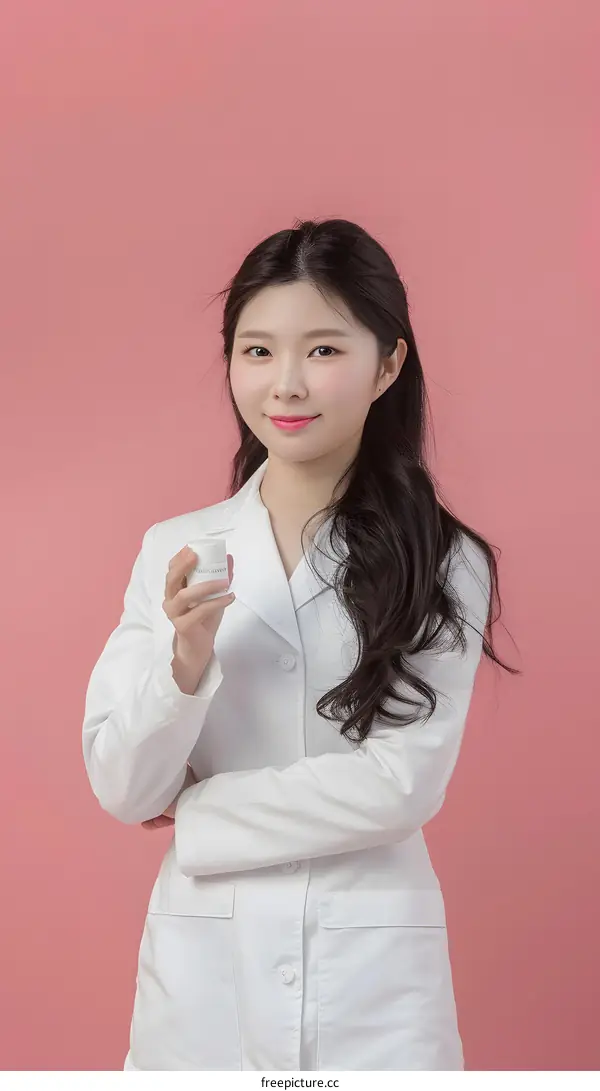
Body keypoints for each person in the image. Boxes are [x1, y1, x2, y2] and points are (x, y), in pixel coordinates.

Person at [82, 218, 518, 1071]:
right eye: (256, 351)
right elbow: (123, 785)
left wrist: (202, 813)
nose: (286, 383)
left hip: (372, 979)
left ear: (387, 364)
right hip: (204, 976)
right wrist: (184, 666)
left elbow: (398, 786)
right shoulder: (175, 546)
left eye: (323, 350)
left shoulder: (442, 557)